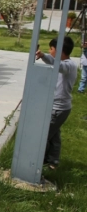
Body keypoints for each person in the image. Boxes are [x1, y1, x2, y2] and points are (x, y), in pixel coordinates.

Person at [35, 37, 77, 169]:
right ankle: (53, 161)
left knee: (45, 134)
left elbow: (59, 65)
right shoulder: (64, 64)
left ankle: (38, 161)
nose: (49, 51)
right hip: (58, 107)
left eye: (51, 49)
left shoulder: (69, 65)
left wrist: (42, 56)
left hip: (59, 108)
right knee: (54, 134)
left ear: (59, 51)